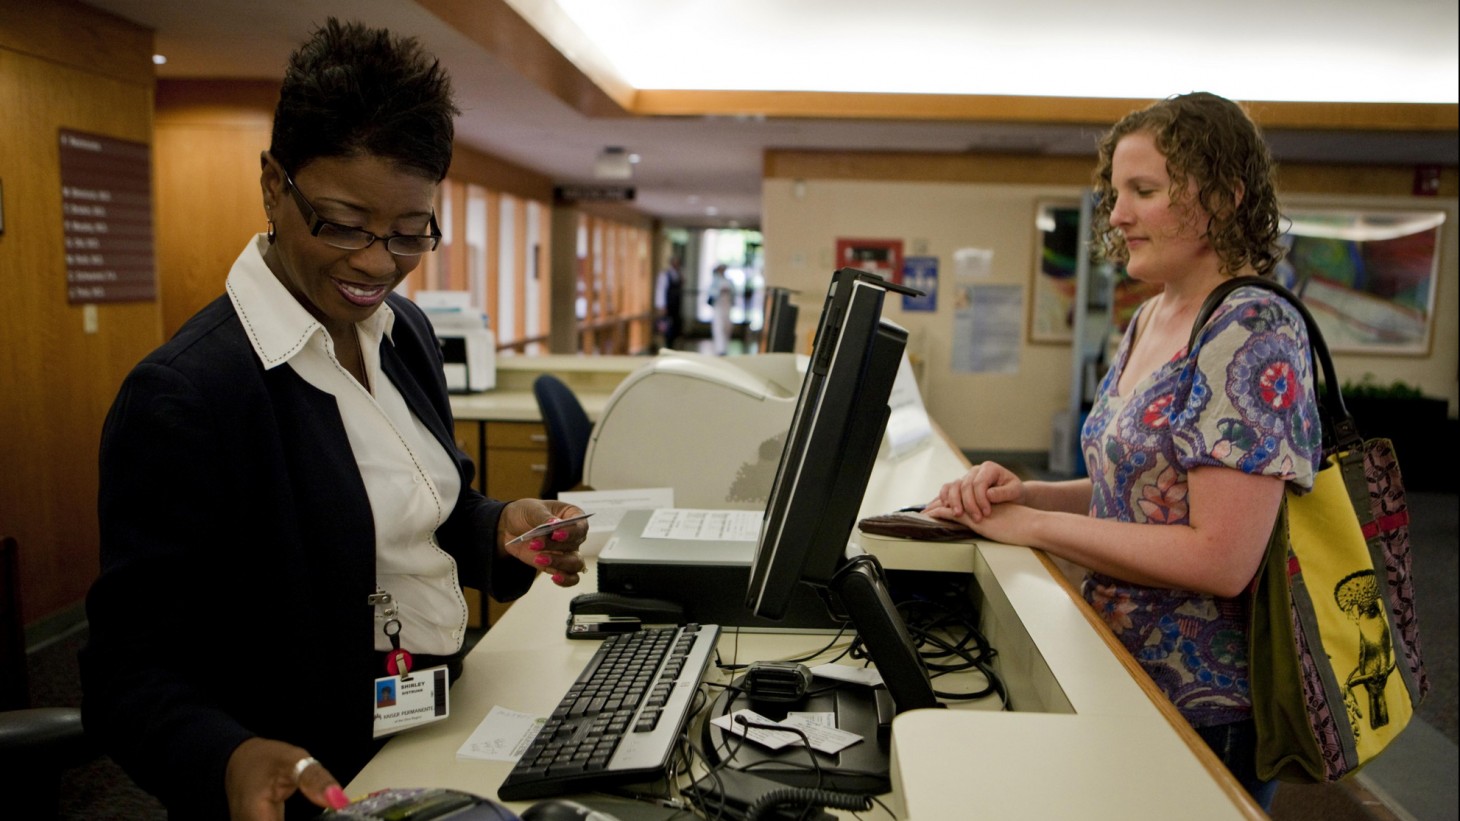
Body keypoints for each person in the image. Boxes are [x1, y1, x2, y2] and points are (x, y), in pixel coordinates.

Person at [79, 19, 588, 820]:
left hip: (424, 725)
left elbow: (428, 513)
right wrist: (229, 755)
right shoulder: (187, 396)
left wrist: (498, 527)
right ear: (275, 186)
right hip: (304, 782)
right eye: (345, 223)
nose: (377, 262)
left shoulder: (405, 333)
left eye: (410, 230)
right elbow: (126, 670)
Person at [923, 92, 1321, 810]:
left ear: (1226, 197)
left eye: (1145, 191)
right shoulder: (1153, 315)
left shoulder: (1251, 327)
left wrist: (1035, 527)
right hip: (1117, 661)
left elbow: (1220, 557)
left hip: (1204, 706)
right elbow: (1135, 492)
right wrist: (1028, 493)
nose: (1117, 214)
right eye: (1116, 193)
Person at [653, 254, 685, 351]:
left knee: (676, 326)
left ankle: (673, 345)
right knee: (666, 326)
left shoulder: (679, 275)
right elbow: (660, 290)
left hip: (677, 305)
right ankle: (666, 345)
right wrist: (662, 306)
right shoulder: (665, 275)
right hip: (668, 305)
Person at [709, 263, 734, 355]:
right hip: (718, 305)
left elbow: (733, 292)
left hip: (726, 306)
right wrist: (719, 292)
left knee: (727, 326)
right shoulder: (715, 281)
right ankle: (720, 348)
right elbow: (711, 293)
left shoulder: (728, 281)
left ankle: (725, 346)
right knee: (718, 326)